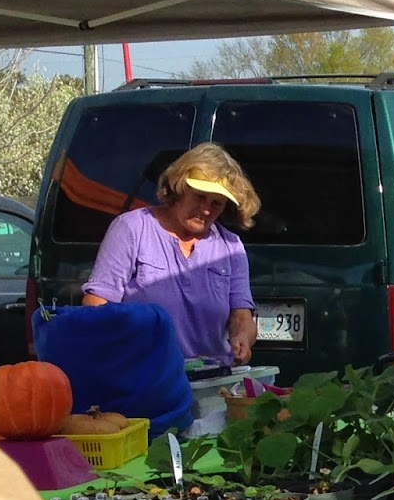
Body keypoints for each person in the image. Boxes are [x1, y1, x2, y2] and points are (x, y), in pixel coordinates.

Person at [82, 143, 261, 367]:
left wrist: (242, 338)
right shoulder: (132, 228)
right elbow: (97, 303)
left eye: (216, 203)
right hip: (142, 378)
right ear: (179, 188)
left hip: (211, 380)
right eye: (199, 197)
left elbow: (242, 316)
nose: (206, 209)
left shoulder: (230, 246)